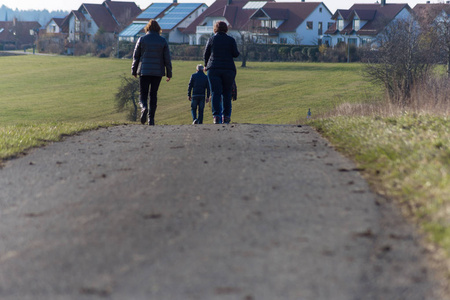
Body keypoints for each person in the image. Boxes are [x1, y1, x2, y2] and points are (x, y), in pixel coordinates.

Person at [131, 19, 172, 126]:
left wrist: (134, 70)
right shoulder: (163, 41)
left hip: (144, 71)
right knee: (153, 94)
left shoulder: (142, 39)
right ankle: (151, 119)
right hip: (157, 72)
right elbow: (167, 58)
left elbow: (136, 56)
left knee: (143, 94)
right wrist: (169, 73)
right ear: (158, 29)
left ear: (147, 28)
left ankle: (144, 108)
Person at [204, 21, 240, 124]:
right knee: (227, 93)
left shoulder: (211, 39)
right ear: (226, 29)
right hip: (228, 69)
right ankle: (226, 116)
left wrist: (206, 65)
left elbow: (206, 54)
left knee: (215, 93)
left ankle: (216, 117)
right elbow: (235, 54)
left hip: (214, 68)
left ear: (215, 29)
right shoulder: (231, 40)